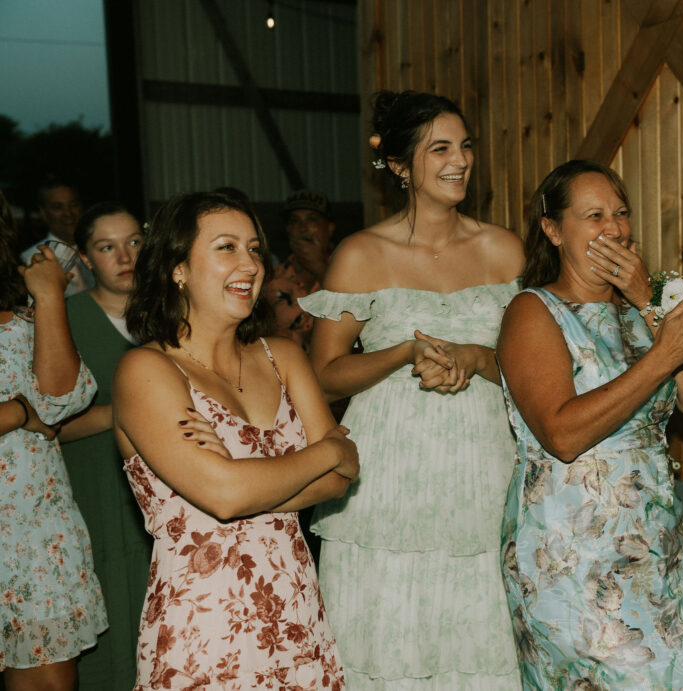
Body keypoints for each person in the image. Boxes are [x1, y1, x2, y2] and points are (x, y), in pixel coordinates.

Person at [299, 90, 524, 689]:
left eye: (465, 146)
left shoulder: (504, 251)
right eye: (440, 149)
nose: (460, 161)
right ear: (399, 165)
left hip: (482, 467)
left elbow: (532, 369)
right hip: (387, 475)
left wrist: (476, 358)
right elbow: (323, 374)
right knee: (389, 634)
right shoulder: (360, 254)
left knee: (480, 629)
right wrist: (402, 353)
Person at [112, 191, 358, 689]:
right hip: (206, 627)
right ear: (178, 269)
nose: (250, 264)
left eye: (254, 248)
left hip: (296, 615)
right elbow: (227, 496)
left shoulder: (283, 357)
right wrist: (328, 450)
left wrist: (246, 480)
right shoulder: (147, 370)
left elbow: (340, 480)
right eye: (226, 247)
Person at [496, 160, 683, 690]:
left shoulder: (647, 311)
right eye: (594, 215)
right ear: (553, 230)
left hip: (653, 547)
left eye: (620, 213)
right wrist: (662, 357)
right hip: (571, 555)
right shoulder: (533, 311)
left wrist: (649, 301)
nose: (614, 229)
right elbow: (562, 435)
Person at [1, 190, 108, 691]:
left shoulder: (22, 318)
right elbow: (38, 411)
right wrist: (19, 411)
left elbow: (61, 400)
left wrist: (47, 297)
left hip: (32, 537)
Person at [58, 202, 150, 690]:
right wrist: (137, 409)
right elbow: (45, 424)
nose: (125, 256)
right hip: (91, 491)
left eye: (134, 241)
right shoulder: (62, 320)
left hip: (164, 496)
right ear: (85, 258)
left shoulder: (172, 315)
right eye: (107, 247)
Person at [262, 189, 336, 349]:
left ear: (330, 228)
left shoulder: (350, 272)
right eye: (295, 221)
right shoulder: (273, 280)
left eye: (312, 220)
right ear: (288, 230)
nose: (303, 228)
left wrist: (320, 269)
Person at [20, 181, 93, 296]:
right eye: (57, 207)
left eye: (73, 205)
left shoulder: (97, 249)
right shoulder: (30, 260)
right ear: (43, 213)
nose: (68, 213)